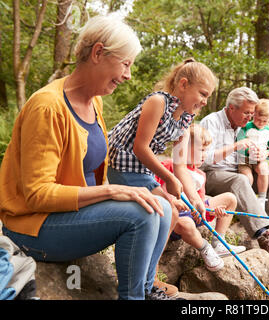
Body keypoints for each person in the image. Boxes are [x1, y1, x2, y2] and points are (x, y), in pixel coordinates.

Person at [0, 15, 173, 300]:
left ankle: (145, 290)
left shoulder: (95, 101)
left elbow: (90, 170)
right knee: (140, 215)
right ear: (97, 53)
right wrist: (112, 190)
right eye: (125, 63)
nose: (128, 74)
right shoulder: (47, 107)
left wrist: (136, 191)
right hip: (32, 225)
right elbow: (36, 195)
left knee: (160, 207)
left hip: (69, 214)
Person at [106, 58, 217, 296]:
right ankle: (140, 287)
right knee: (159, 209)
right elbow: (141, 148)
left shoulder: (187, 118)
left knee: (173, 212)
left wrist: (194, 199)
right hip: (122, 166)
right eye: (203, 93)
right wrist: (168, 179)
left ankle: (149, 284)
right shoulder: (158, 102)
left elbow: (179, 168)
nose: (205, 101)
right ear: (184, 84)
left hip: (142, 172)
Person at [199, 87, 269, 259]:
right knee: (241, 180)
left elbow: (263, 152)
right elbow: (203, 160)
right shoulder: (211, 122)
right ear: (231, 108)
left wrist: (262, 154)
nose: (250, 117)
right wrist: (236, 146)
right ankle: (265, 238)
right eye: (247, 113)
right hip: (213, 174)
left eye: (252, 113)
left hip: (239, 172)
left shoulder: (247, 126)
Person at [155, 124, 246, 271]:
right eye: (202, 150)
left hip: (192, 214)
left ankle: (219, 242)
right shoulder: (168, 166)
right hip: (175, 218)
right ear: (184, 148)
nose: (205, 155)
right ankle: (205, 248)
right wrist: (173, 201)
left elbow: (201, 204)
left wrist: (213, 211)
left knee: (230, 199)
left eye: (206, 150)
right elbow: (154, 189)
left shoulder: (201, 175)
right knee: (186, 224)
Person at [237, 99, 269, 212]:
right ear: (253, 114)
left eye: (264, 121)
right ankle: (247, 201)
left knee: (264, 169)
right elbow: (238, 142)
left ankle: (261, 199)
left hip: (259, 159)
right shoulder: (246, 127)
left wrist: (266, 153)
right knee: (247, 178)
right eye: (257, 119)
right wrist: (247, 151)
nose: (260, 123)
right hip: (245, 160)